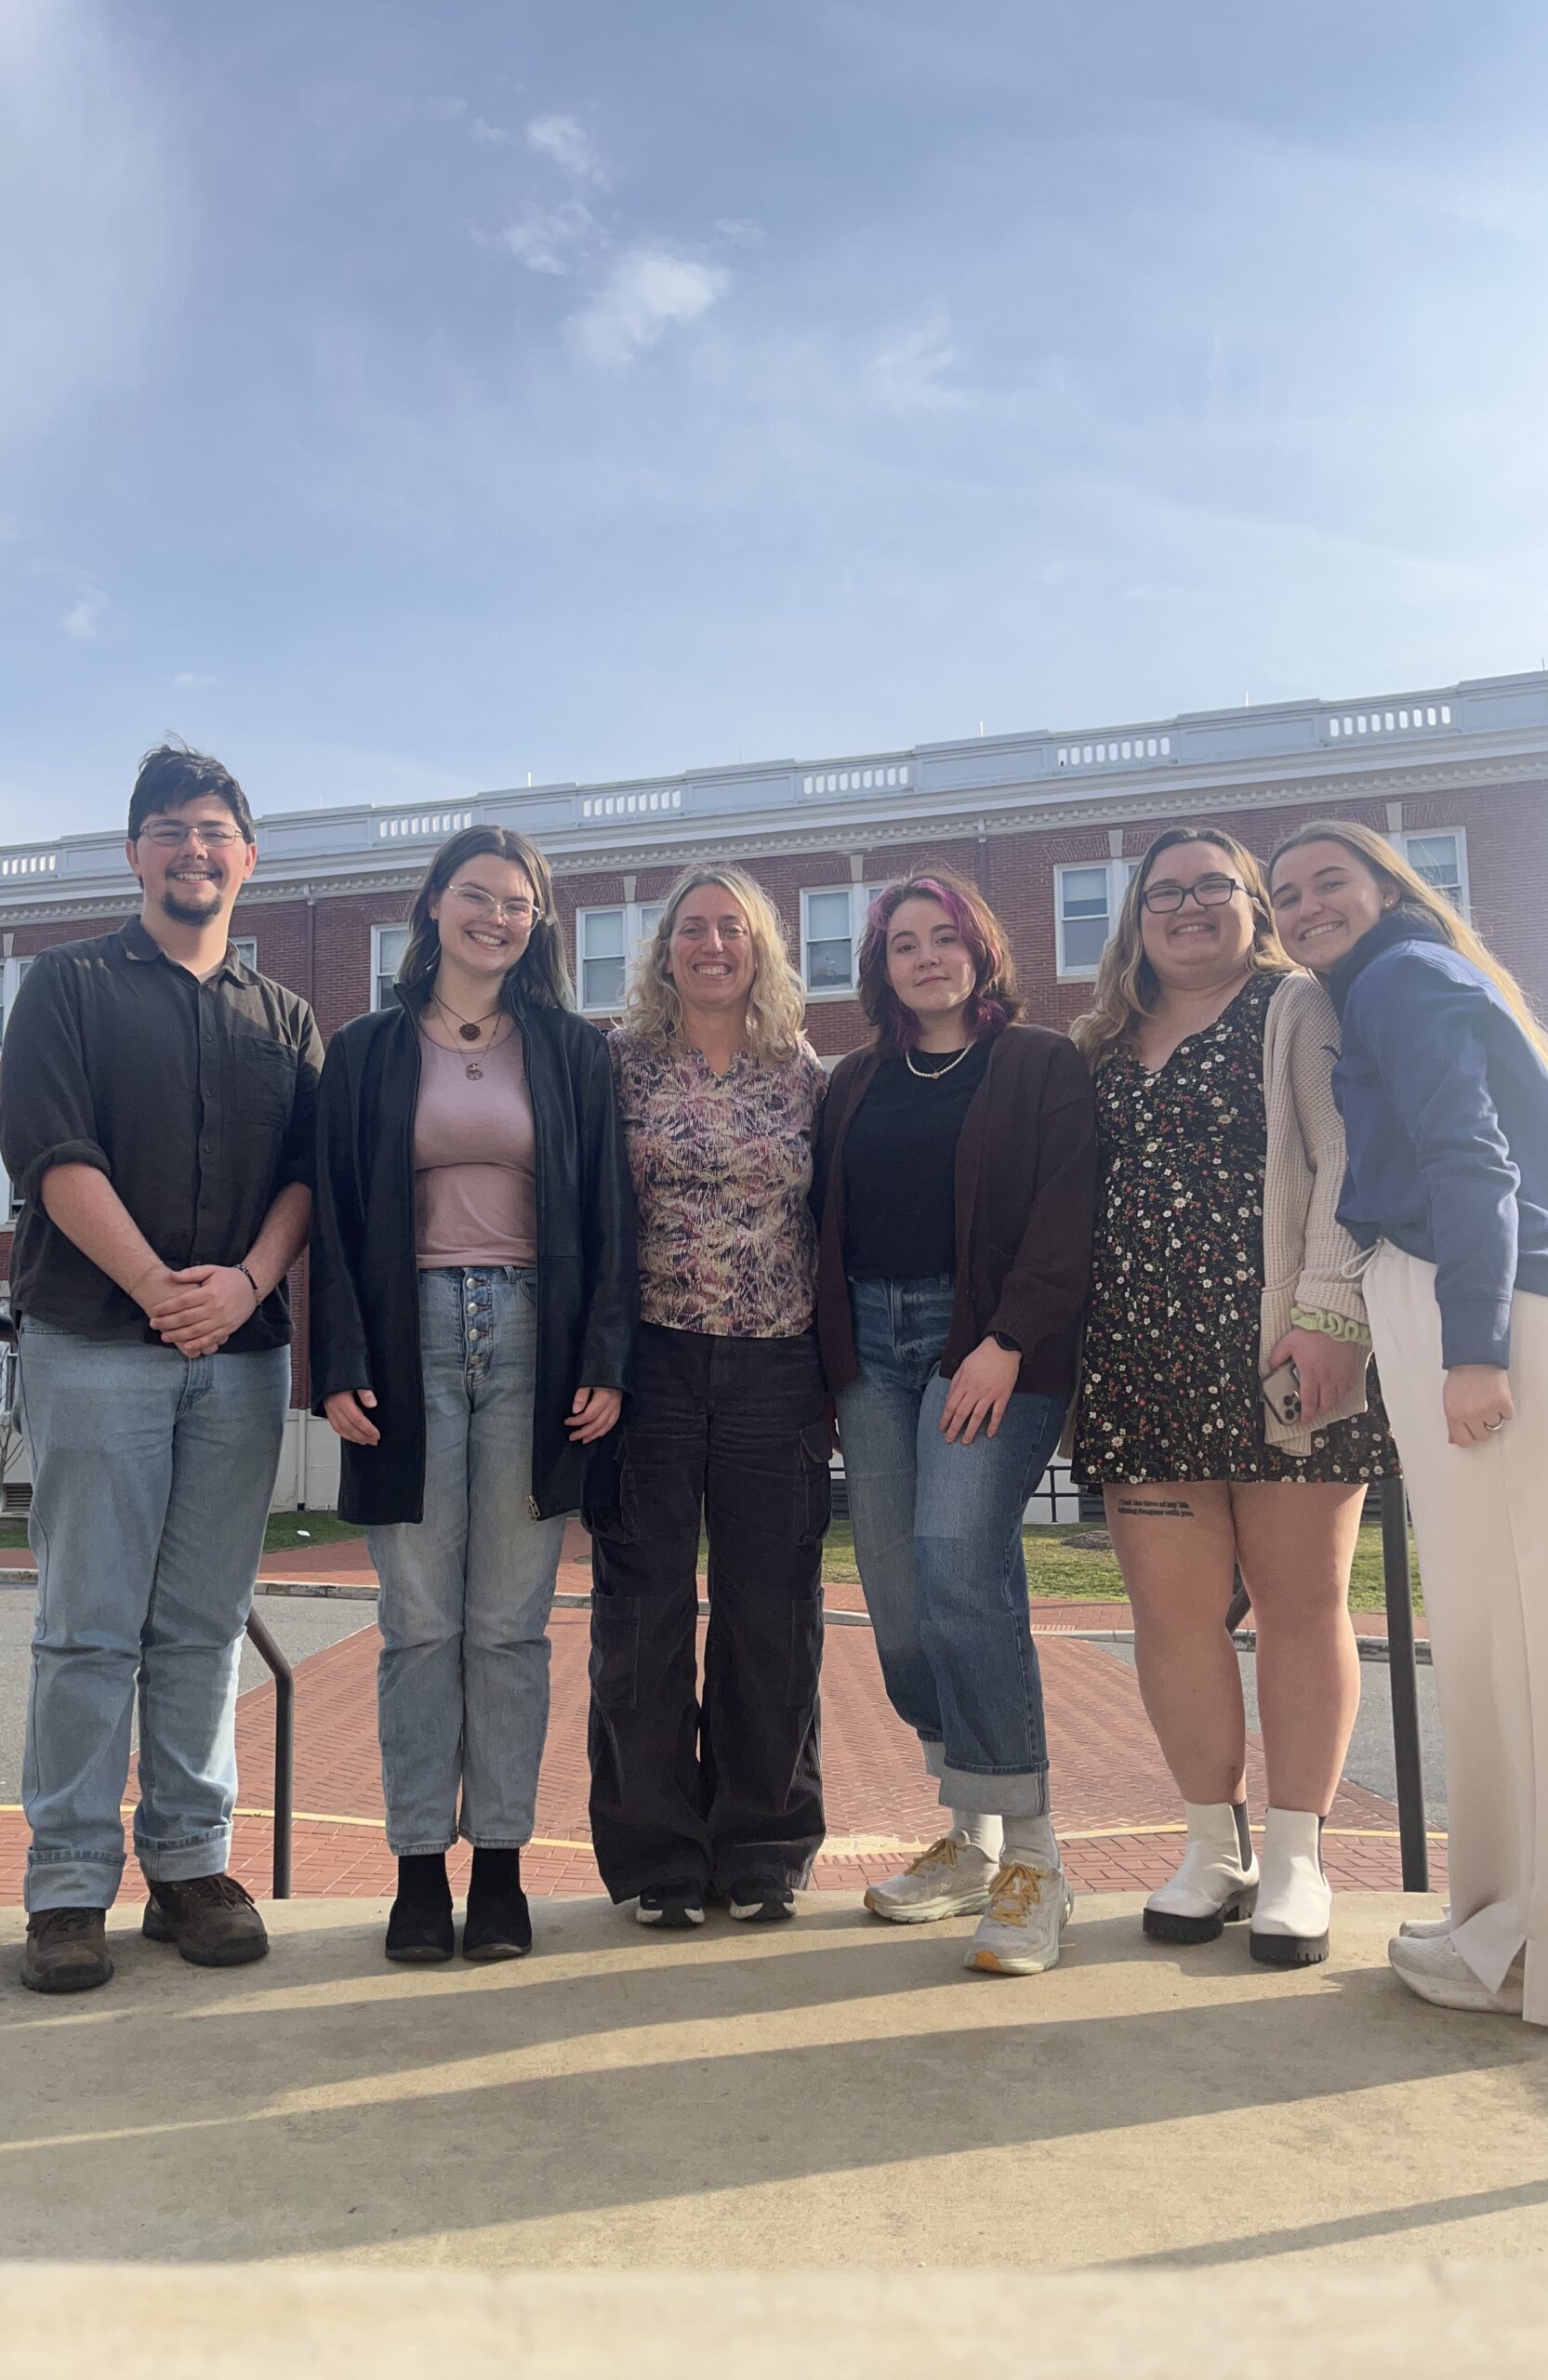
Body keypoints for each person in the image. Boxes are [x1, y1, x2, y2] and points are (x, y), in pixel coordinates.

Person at [0, 743, 323, 1995]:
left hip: (238, 1360)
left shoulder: (284, 1018)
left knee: (199, 1629)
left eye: (217, 832)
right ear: (136, 851)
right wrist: (154, 1290)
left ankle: (188, 1866)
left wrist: (242, 1286)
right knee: (86, 1629)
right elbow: (52, 1152)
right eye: (172, 830)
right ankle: (68, 1887)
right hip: (92, 1342)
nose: (197, 851)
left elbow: (304, 1179)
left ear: (249, 858)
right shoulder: (67, 989)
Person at [1268, 820, 1548, 2035]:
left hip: (1492, 1307)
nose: (1303, 908)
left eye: (1327, 883)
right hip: (1489, 1299)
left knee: (1536, 1641)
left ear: (1389, 888)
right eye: (1285, 896)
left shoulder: (1404, 977)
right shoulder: (1404, 980)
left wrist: (1471, 1351)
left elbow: (1474, 1158)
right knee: (1505, 1635)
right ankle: (1503, 1930)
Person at [1068, 826, 1396, 1969]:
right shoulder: (1097, 1041)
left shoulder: (1296, 1008)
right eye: (1168, 892)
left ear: (1254, 906)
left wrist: (1331, 1313)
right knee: (1174, 1615)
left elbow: (1344, 1157)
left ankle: (1299, 1857)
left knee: (1303, 1603)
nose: (1191, 906)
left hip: (1281, 1350)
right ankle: (1214, 1846)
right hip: (1138, 1360)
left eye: (1218, 887)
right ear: (1138, 917)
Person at [311, 826, 635, 1964]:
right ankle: (415, 1873)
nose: (496, 917)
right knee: (418, 1625)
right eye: (476, 895)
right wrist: (337, 1362)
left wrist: (604, 1357)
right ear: (434, 905)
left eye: (518, 903)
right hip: (411, 1343)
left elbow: (605, 1217)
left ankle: (498, 1869)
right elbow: (339, 1217)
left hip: (537, 1345)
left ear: (537, 923)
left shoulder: (572, 1053)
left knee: (509, 1625)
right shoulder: (362, 1051)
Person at [813, 870, 1096, 1976]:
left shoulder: (1037, 1064)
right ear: (879, 967)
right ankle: (970, 1834)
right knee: (893, 1591)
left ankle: (1034, 1857)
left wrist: (1009, 1336)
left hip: (985, 1343)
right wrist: (833, 1364)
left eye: (945, 938)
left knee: (958, 1563)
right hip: (870, 1356)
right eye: (903, 944)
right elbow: (824, 1224)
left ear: (981, 950)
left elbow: (1067, 1212)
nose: (925, 957)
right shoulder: (855, 1080)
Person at [587, 866, 830, 1927]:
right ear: (664, 949)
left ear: (763, 948)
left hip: (777, 1365)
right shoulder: (617, 1062)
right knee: (640, 1611)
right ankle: (657, 1857)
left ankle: (765, 1843)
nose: (713, 944)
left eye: (733, 928)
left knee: (770, 1610)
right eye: (694, 928)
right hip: (651, 1365)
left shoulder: (805, 1074)